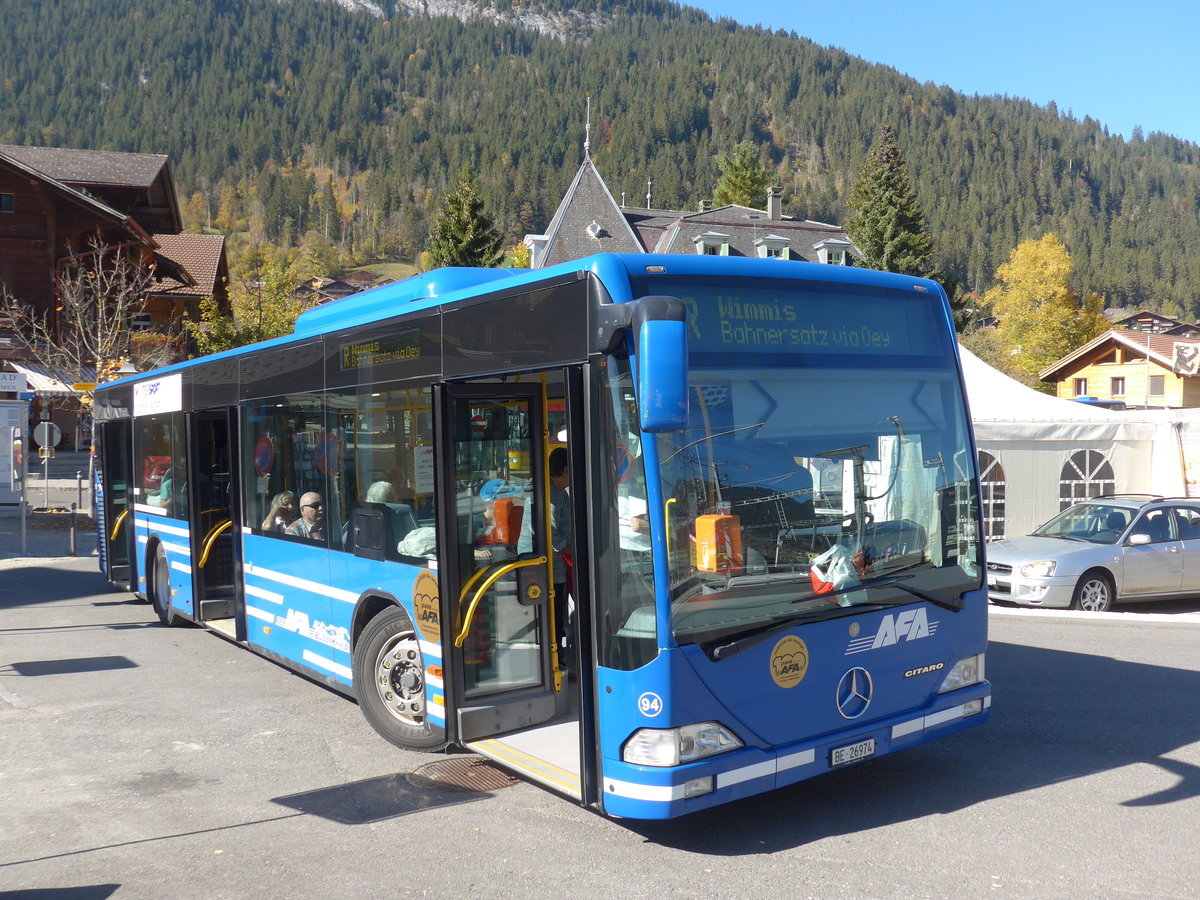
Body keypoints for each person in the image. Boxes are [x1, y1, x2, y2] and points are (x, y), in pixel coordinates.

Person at [519, 446, 573, 668]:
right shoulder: (549, 493)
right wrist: (568, 549)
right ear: (566, 469)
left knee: (558, 608)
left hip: (556, 562)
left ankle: (558, 655)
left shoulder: (560, 493)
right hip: (544, 563)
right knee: (553, 611)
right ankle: (555, 659)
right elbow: (548, 530)